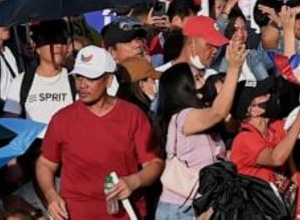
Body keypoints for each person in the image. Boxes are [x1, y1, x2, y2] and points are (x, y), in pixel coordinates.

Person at [35, 45, 164, 220]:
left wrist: (133, 181)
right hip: (76, 213)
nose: (82, 84)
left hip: (125, 212)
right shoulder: (62, 119)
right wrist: (51, 195)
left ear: (109, 81)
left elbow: (154, 163)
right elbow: (45, 164)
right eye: (78, 77)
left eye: (91, 78)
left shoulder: (133, 116)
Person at [155, 40, 246, 220]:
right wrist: (234, 68)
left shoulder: (199, 115)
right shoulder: (183, 117)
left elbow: (225, 119)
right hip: (180, 209)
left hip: (199, 205)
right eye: (197, 79)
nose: (204, 82)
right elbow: (218, 112)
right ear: (182, 89)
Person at [4, 21, 75, 135]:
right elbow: (10, 121)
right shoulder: (21, 82)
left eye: (62, 41)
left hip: (67, 149)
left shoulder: (75, 80)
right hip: (34, 148)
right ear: (37, 48)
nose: (58, 46)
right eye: (52, 40)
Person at [156, 15, 229, 75]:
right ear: (190, 43)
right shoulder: (159, 77)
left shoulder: (213, 77)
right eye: (209, 45)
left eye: (217, 46)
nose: (215, 51)